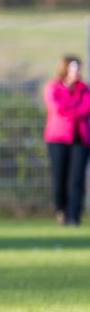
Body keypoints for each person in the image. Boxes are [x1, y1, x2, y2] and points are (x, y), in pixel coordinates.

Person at [43, 54, 90, 226]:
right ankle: (60, 209)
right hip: (58, 138)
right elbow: (56, 108)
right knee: (59, 177)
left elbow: (86, 108)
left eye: (78, 68)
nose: (76, 71)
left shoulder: (84, 89)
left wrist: (69, 110)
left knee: (77, 179)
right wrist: (74, 110)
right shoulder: (53, 87)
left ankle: (74, 216)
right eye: (73, 67)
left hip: (80, 139)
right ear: (65, 69)